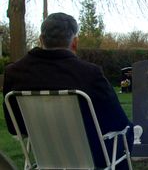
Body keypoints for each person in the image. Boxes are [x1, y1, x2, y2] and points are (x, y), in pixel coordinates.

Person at [2, 12, 133, 169]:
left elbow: (14, 127)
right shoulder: (89, 73)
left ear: (40, 39)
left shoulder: (14, 73)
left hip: (46, 157)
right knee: (127, 132)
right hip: (90, 158)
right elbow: (117, 122)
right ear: (75, 43)